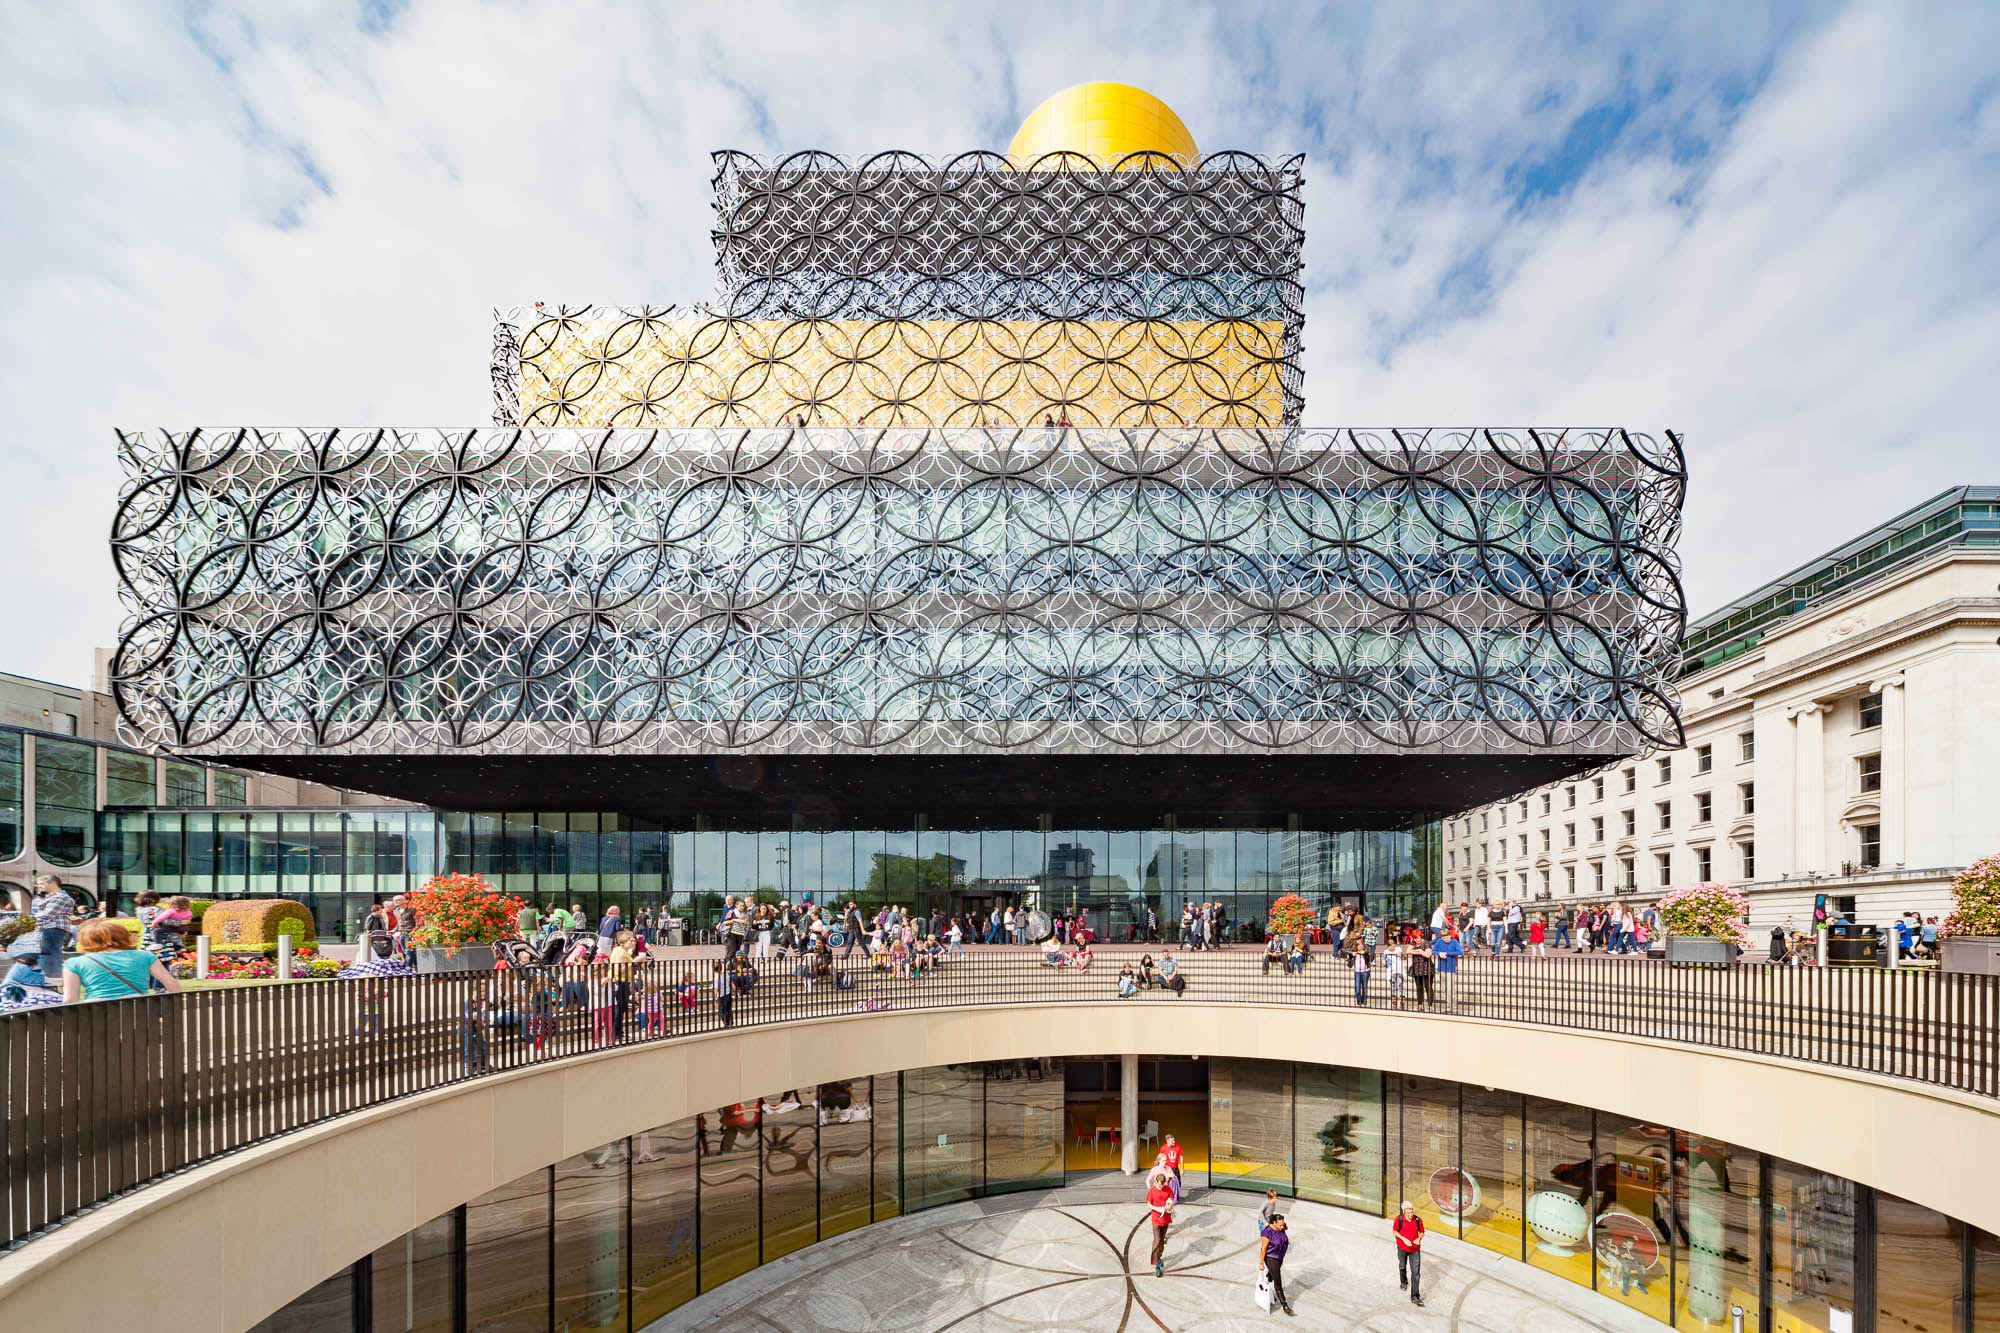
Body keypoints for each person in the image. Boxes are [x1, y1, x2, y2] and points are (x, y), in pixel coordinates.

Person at [62, 920, 181, 1002]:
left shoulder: (74, 963)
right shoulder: (145, 956)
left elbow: (70, 1000)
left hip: (97, 1015)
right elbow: (173, 986)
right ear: (123, 936)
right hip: (140, 1013)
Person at [30, 876, 77, 986]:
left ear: (52, 883)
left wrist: (29, 920)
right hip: (48, 927)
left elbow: (48, 914)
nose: (39, 886)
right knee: (47, 952)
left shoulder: (60, 897)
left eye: (41, 883)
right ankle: (49, 977)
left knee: (50, 952)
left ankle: (53, 978)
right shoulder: (50, 897)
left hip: (53, 927)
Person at [1256, 1213, 1294, 1317]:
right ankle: (1285, 1305)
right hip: (1271, 1258)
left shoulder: (1281, 1227)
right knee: (1278, 1281)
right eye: (1280, 1225)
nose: (1283, 1227)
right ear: (1274, 1222)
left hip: (1280, 1257)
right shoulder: (1267, 1232)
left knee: (1273, 1275)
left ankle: (1269, 1277)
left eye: (1283, 1224)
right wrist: (1261, 1263)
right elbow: (1263, 1249)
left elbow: (1284, 1231)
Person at [1393, 1199, 1425, 1306]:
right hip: (1402, 1248)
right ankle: (1404, 1282)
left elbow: (1422, 1232)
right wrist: (1404, 1239)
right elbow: (1395, 1231)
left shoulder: (1417, 1219)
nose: (1411, 1214)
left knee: (1416, 1273)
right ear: (1404, 1212)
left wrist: (1419, 1238)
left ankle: (1415, 1296)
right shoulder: (1399, 1219)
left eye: (1412, 1211)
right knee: (1402, 1265)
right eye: (1408, 1212)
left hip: (1415, 1250)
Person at [1147, 1171, 1175, 1276]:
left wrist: (1170, 1206)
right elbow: (1149, 1204)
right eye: (1160, 1184)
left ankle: (1159, 1257)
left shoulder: (1167, 1188)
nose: (1162, 1186)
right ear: (1156, 1182)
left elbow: (1172, 1200)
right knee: (1157, 1240)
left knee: (1162, 1241)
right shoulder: (1152, 1191)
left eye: (1163, 1184)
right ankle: (1157, 1265)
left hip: (1166, 1219)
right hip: (1156, 1219)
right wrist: (1159, 1209)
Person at [1159, 1132, 1184, 1198]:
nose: (1174, 1142)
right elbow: (1160, 1158)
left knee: (1177, 1183)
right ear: (1167, 1141)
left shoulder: (1178, 1147)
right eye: (1172, 1141)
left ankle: (1175, 1195)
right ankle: (1167, 1196)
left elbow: (1181, 1157)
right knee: (1167, 1183)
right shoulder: (1163, 1148)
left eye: (1174, 1140)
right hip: (1167, 1169)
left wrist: (1182, 1169)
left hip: (1175, 1169)